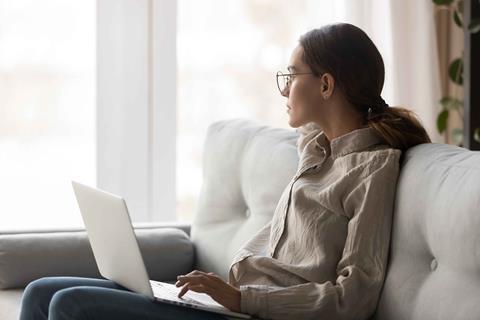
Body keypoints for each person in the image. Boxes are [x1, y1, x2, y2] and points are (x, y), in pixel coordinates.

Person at [19, 22, 431, 320]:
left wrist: (241, 300)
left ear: (326, 86)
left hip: (255, 312)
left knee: (69, 305)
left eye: (291, 75)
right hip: (233, 300)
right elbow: (326, 119)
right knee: (41, 291)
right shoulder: (316, 149)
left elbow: (353, 299)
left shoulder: (373, 169)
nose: (285, 89)